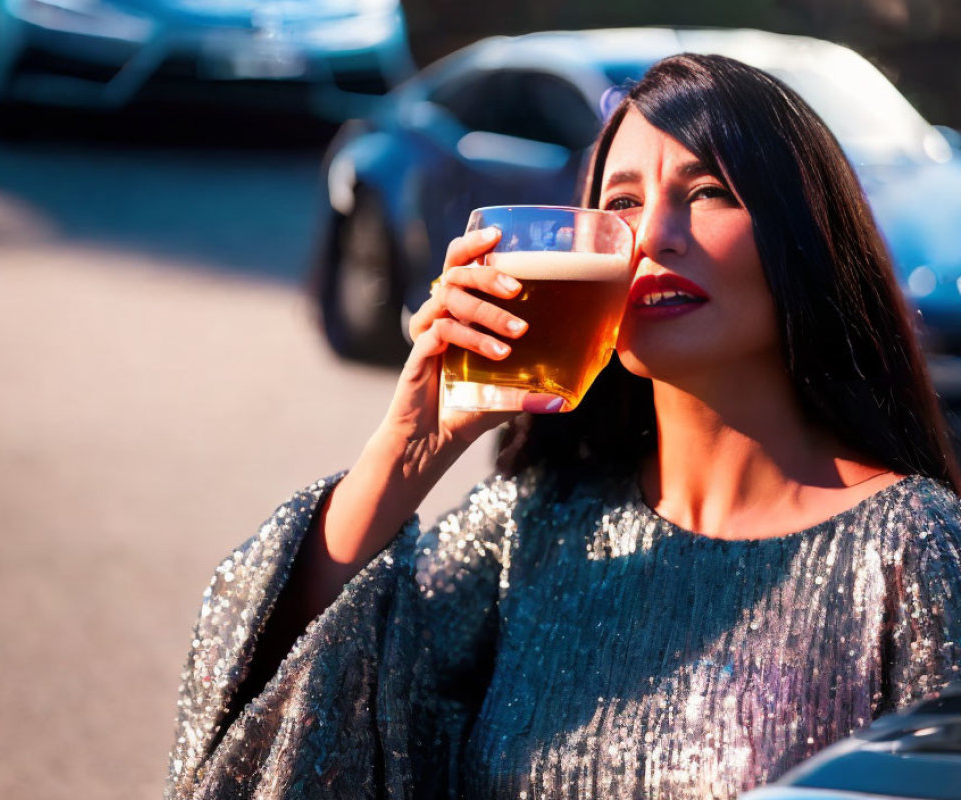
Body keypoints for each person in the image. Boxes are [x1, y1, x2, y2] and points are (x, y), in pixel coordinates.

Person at [165, 54, 961, 800]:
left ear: (807, 233)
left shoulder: (914, 545)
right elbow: (280, 709)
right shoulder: (534, 525)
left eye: (710, 190)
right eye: (621, 203)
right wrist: (409, 448)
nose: (652, 238)